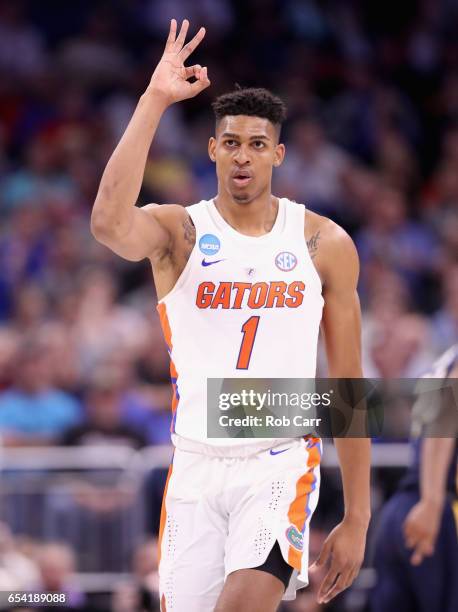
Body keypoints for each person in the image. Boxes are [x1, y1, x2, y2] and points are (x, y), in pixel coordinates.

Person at [91, 18, 371, 612]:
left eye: (258, 144)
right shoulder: (180, 231)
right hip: (194, 462)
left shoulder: (325, 243)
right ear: (213, 149)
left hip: (280, 460)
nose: (244, 156)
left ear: (279, 154)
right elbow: (108, 224)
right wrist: (155, 99)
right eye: (233, 142)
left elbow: (349, 386)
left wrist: (359, 515)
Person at [371, 344, 458, 612]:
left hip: (406, 506)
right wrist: (432, 501)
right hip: (433, 512)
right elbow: (446, 410)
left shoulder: (448, 355)